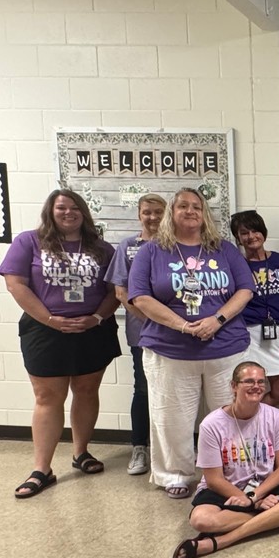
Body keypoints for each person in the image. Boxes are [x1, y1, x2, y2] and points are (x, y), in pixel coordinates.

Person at [128, 187, 254, 499]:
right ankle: (175, 474)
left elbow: (245, 290)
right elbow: (140, 297)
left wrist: (217, 320)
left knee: (231, 413)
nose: (190, 211)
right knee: (172, 416)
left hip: (225, 348)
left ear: (205, 214)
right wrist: (183, 325)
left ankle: (233, 471)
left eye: (196, 206)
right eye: (182, 205)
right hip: (169, 350)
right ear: (172, 212)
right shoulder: (152, 251)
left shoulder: (224, 250)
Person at [2, 189, 121, 498]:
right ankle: (42, 468)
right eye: (61, 208)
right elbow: (15, 284)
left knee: (86, 390)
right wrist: (50, 319)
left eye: (75, 208)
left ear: (84, 212)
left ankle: (80, 453)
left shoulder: (101, 248)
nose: (69, 213)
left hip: (92, 329)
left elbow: (114, 291)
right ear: (50, 212)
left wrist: (96, 318)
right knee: (47, 397)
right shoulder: (29, 241)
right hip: (45, 330)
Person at [171, 362, 279, 558]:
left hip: (265, 485)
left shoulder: (276, 417)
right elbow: (214, 480)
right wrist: (251, 500)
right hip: (225, 488)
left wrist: (254, 497)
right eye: (248, 381)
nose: (256, 386)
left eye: (261, 382)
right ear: (233, 386)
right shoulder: (211, 425)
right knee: (200, 520)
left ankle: (222, 541)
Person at [105, 192, 166, 476]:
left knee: (175, 392)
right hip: (144, 332)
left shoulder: (175, 247)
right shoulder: (129, 246)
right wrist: (155, 321)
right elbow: (121, 291)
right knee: (143, 388)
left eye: (157, 211)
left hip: (177, 333)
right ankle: (139, 447)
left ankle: (170, 449)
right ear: (139, 214)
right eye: (147, 212)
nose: (152, 217)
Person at [230, 210, 279, 407]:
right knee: (246, 389)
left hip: (277, 333)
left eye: (255, 231)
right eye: (244, 233)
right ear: (238, 238)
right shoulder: (237, 265)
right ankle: (246, 427)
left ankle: (253, 417)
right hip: (246, 334)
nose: (251, 236)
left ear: (263, 232)